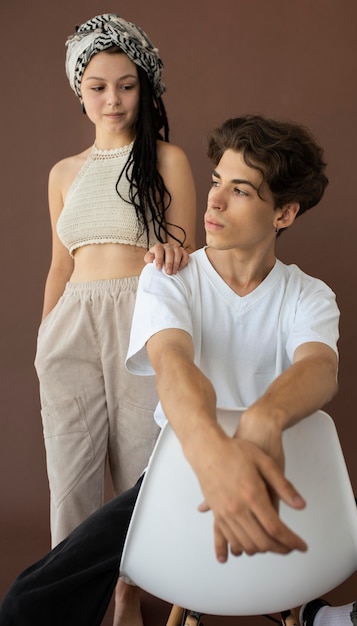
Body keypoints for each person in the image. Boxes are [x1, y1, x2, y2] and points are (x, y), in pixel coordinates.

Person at [1, 115, 357, 626]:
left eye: (239, 190)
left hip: (289, 483)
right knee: (26, 604)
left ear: (284, 213)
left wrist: (263, 421)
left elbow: (318, 367)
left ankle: (327, 620)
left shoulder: (309, 294)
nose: (213, 201)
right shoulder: (168, 276)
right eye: (216, 180)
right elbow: (173, 366)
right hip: (176, 480)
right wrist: (212, 455)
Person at [33, 13, 196, 626]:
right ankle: (71, 601)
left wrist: (175, 250)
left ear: (144, 87)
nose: (112, 99)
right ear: (79, 89)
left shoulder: (166, 159)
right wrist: (45, 337)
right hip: (70, 324)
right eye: (98, 85)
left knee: (143, 464)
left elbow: (185, 253)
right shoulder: (63, 173)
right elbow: (58, 265)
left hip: (142, 314)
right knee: (69, 477)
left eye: (125, 84)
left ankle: (129, 591)